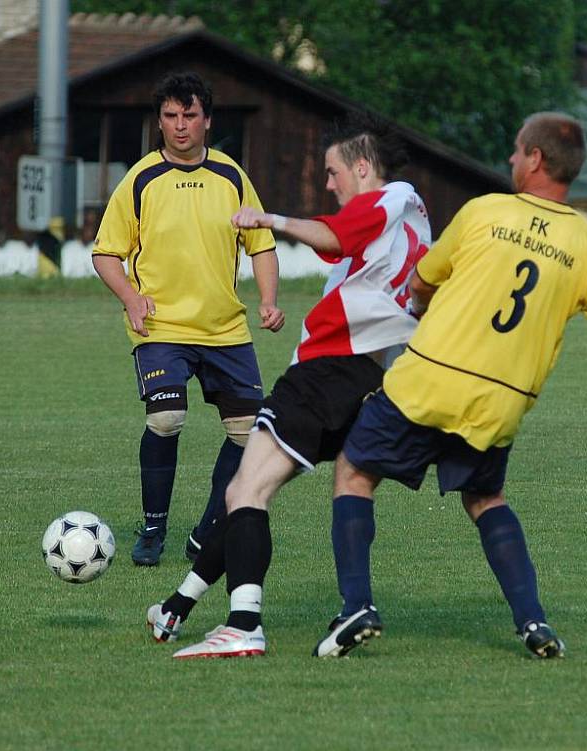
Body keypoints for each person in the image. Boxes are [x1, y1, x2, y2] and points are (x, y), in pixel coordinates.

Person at [310, 112, 587, 660]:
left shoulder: (484, 212)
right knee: (485, 498)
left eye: (515, 151)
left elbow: (421, 282)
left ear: (535, 160)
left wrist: (418, 305)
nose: (510, 159)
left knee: (354, 472)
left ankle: (357, 605)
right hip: (499, 402)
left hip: (429, 379)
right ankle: (533, 622)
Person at [144, 112, 432, 657]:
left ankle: (243, 623)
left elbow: (330, 232)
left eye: (332, 173)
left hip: (325, 372)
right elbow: (359, 256)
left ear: (363, 167)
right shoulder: (414, 219)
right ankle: (176, 606)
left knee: (247, 492)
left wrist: (267, 219)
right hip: (362, 380)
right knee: (245, 493)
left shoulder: (388, 199)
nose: (329, 185)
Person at [92, 72, 284, 566]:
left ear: (207, 120)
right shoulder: (139, 179)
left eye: (190, 116)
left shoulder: (232, 177)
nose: (180, 126)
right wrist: (131, 298)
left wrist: (269, 299)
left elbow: (261, 244)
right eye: (171, 117)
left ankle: (206, 530)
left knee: (247, 433)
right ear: (160, 121)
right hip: (162, 328)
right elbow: (106, 253)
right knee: (167, 417)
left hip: (225, 329)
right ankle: (153, 529)